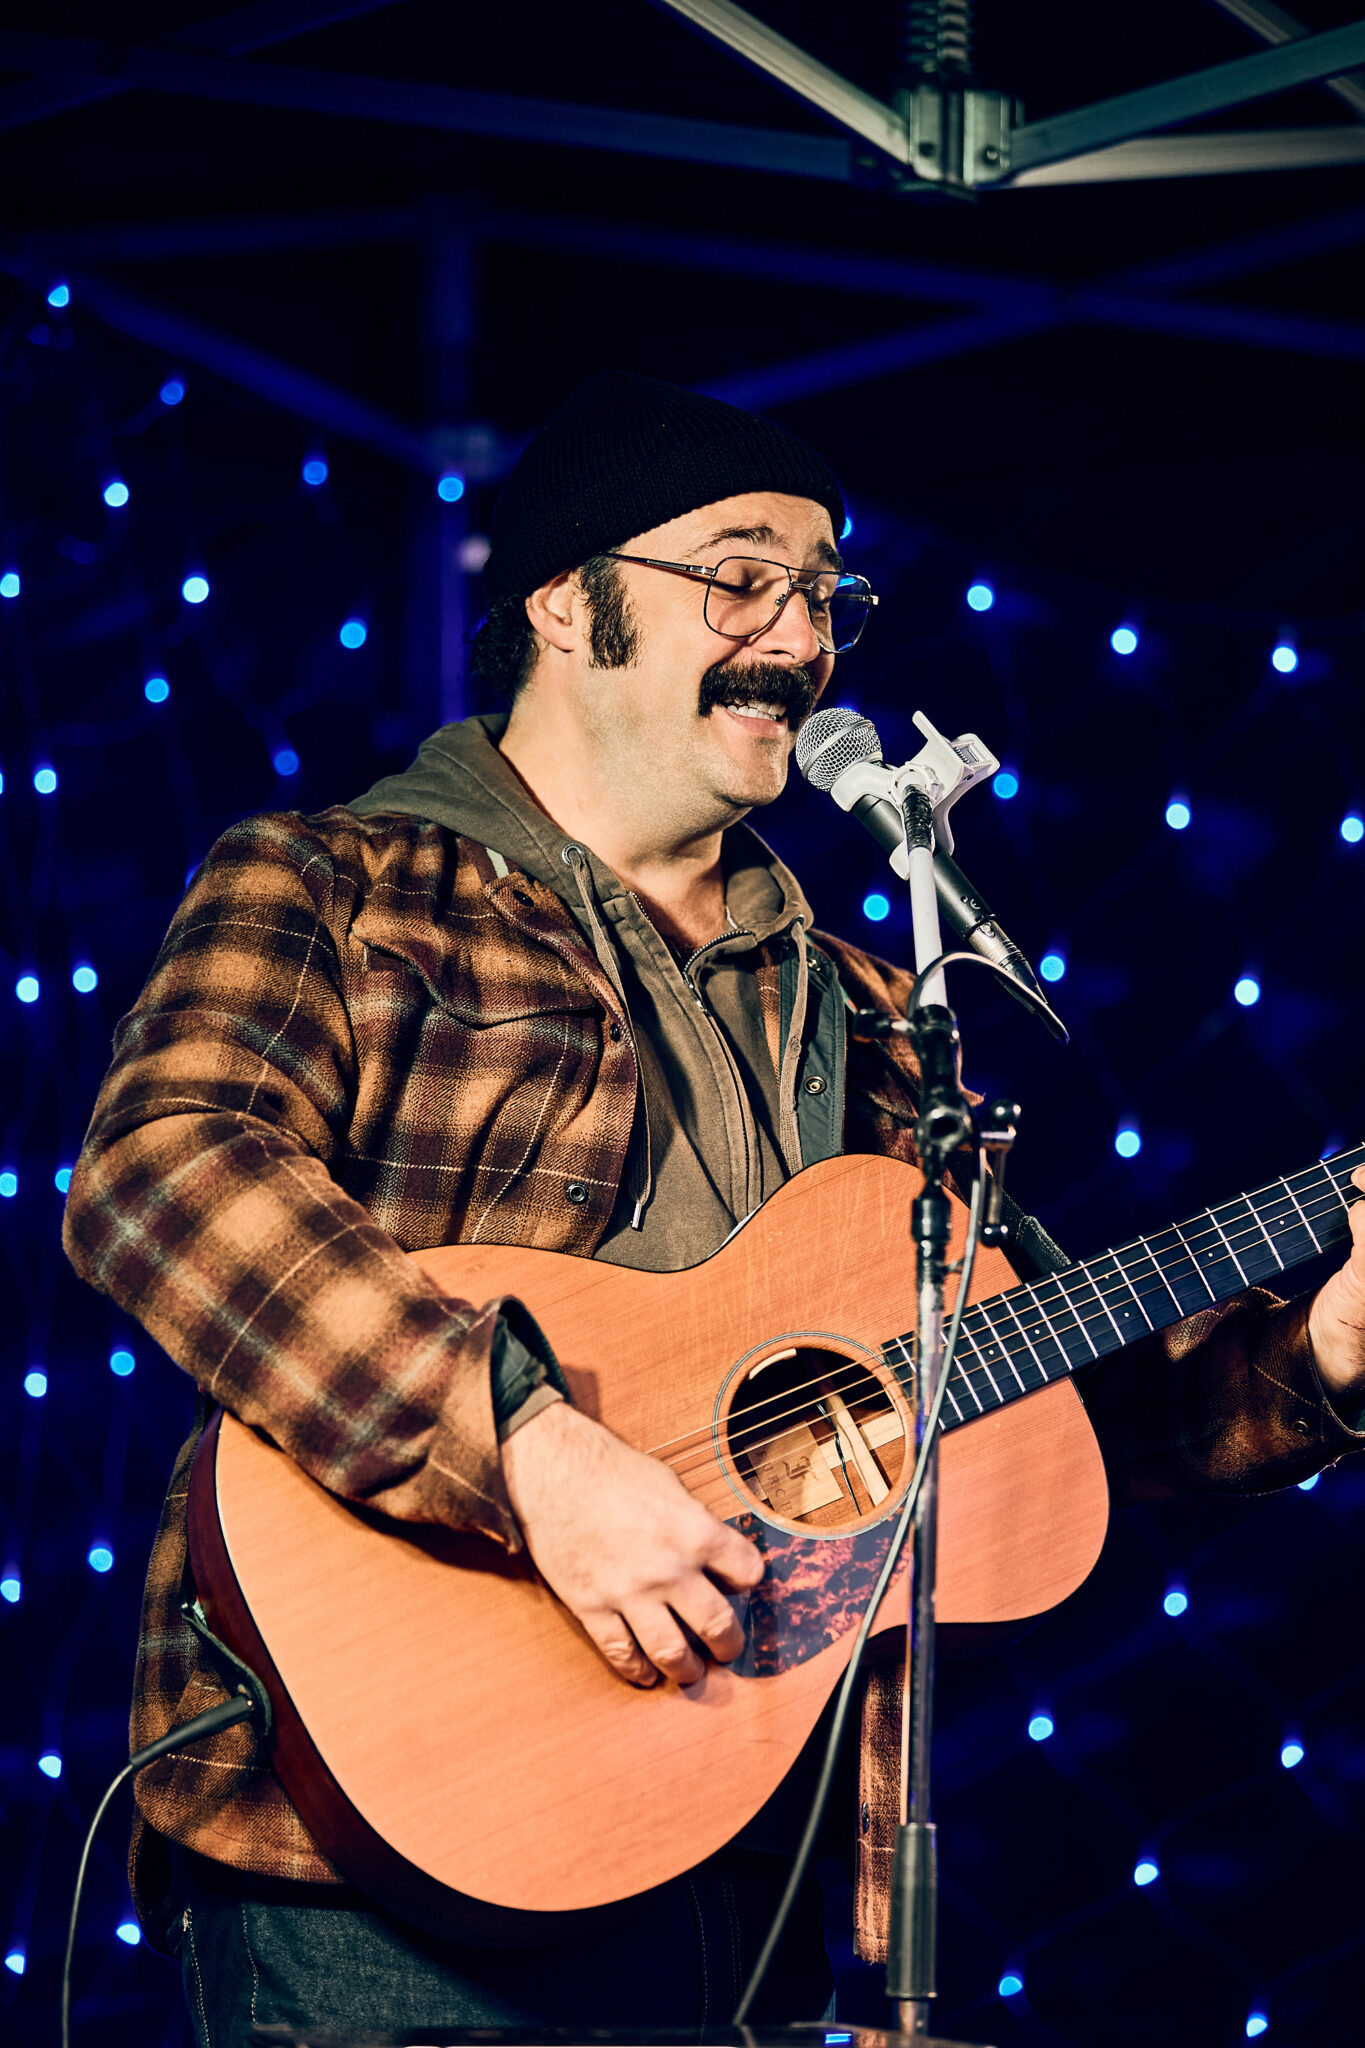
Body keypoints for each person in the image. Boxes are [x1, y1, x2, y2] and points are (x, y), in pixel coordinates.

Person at [64, 373, 1365, 2044]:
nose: (799, 640)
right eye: (740, 578)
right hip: (371, 1853)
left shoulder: (873, 1008)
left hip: (739, 1854)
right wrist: (530, 1451)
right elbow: (164, 1171)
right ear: (565, 603)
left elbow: (1036, 1396)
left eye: (824, 594)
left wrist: (1320, 1354)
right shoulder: (338, 883)